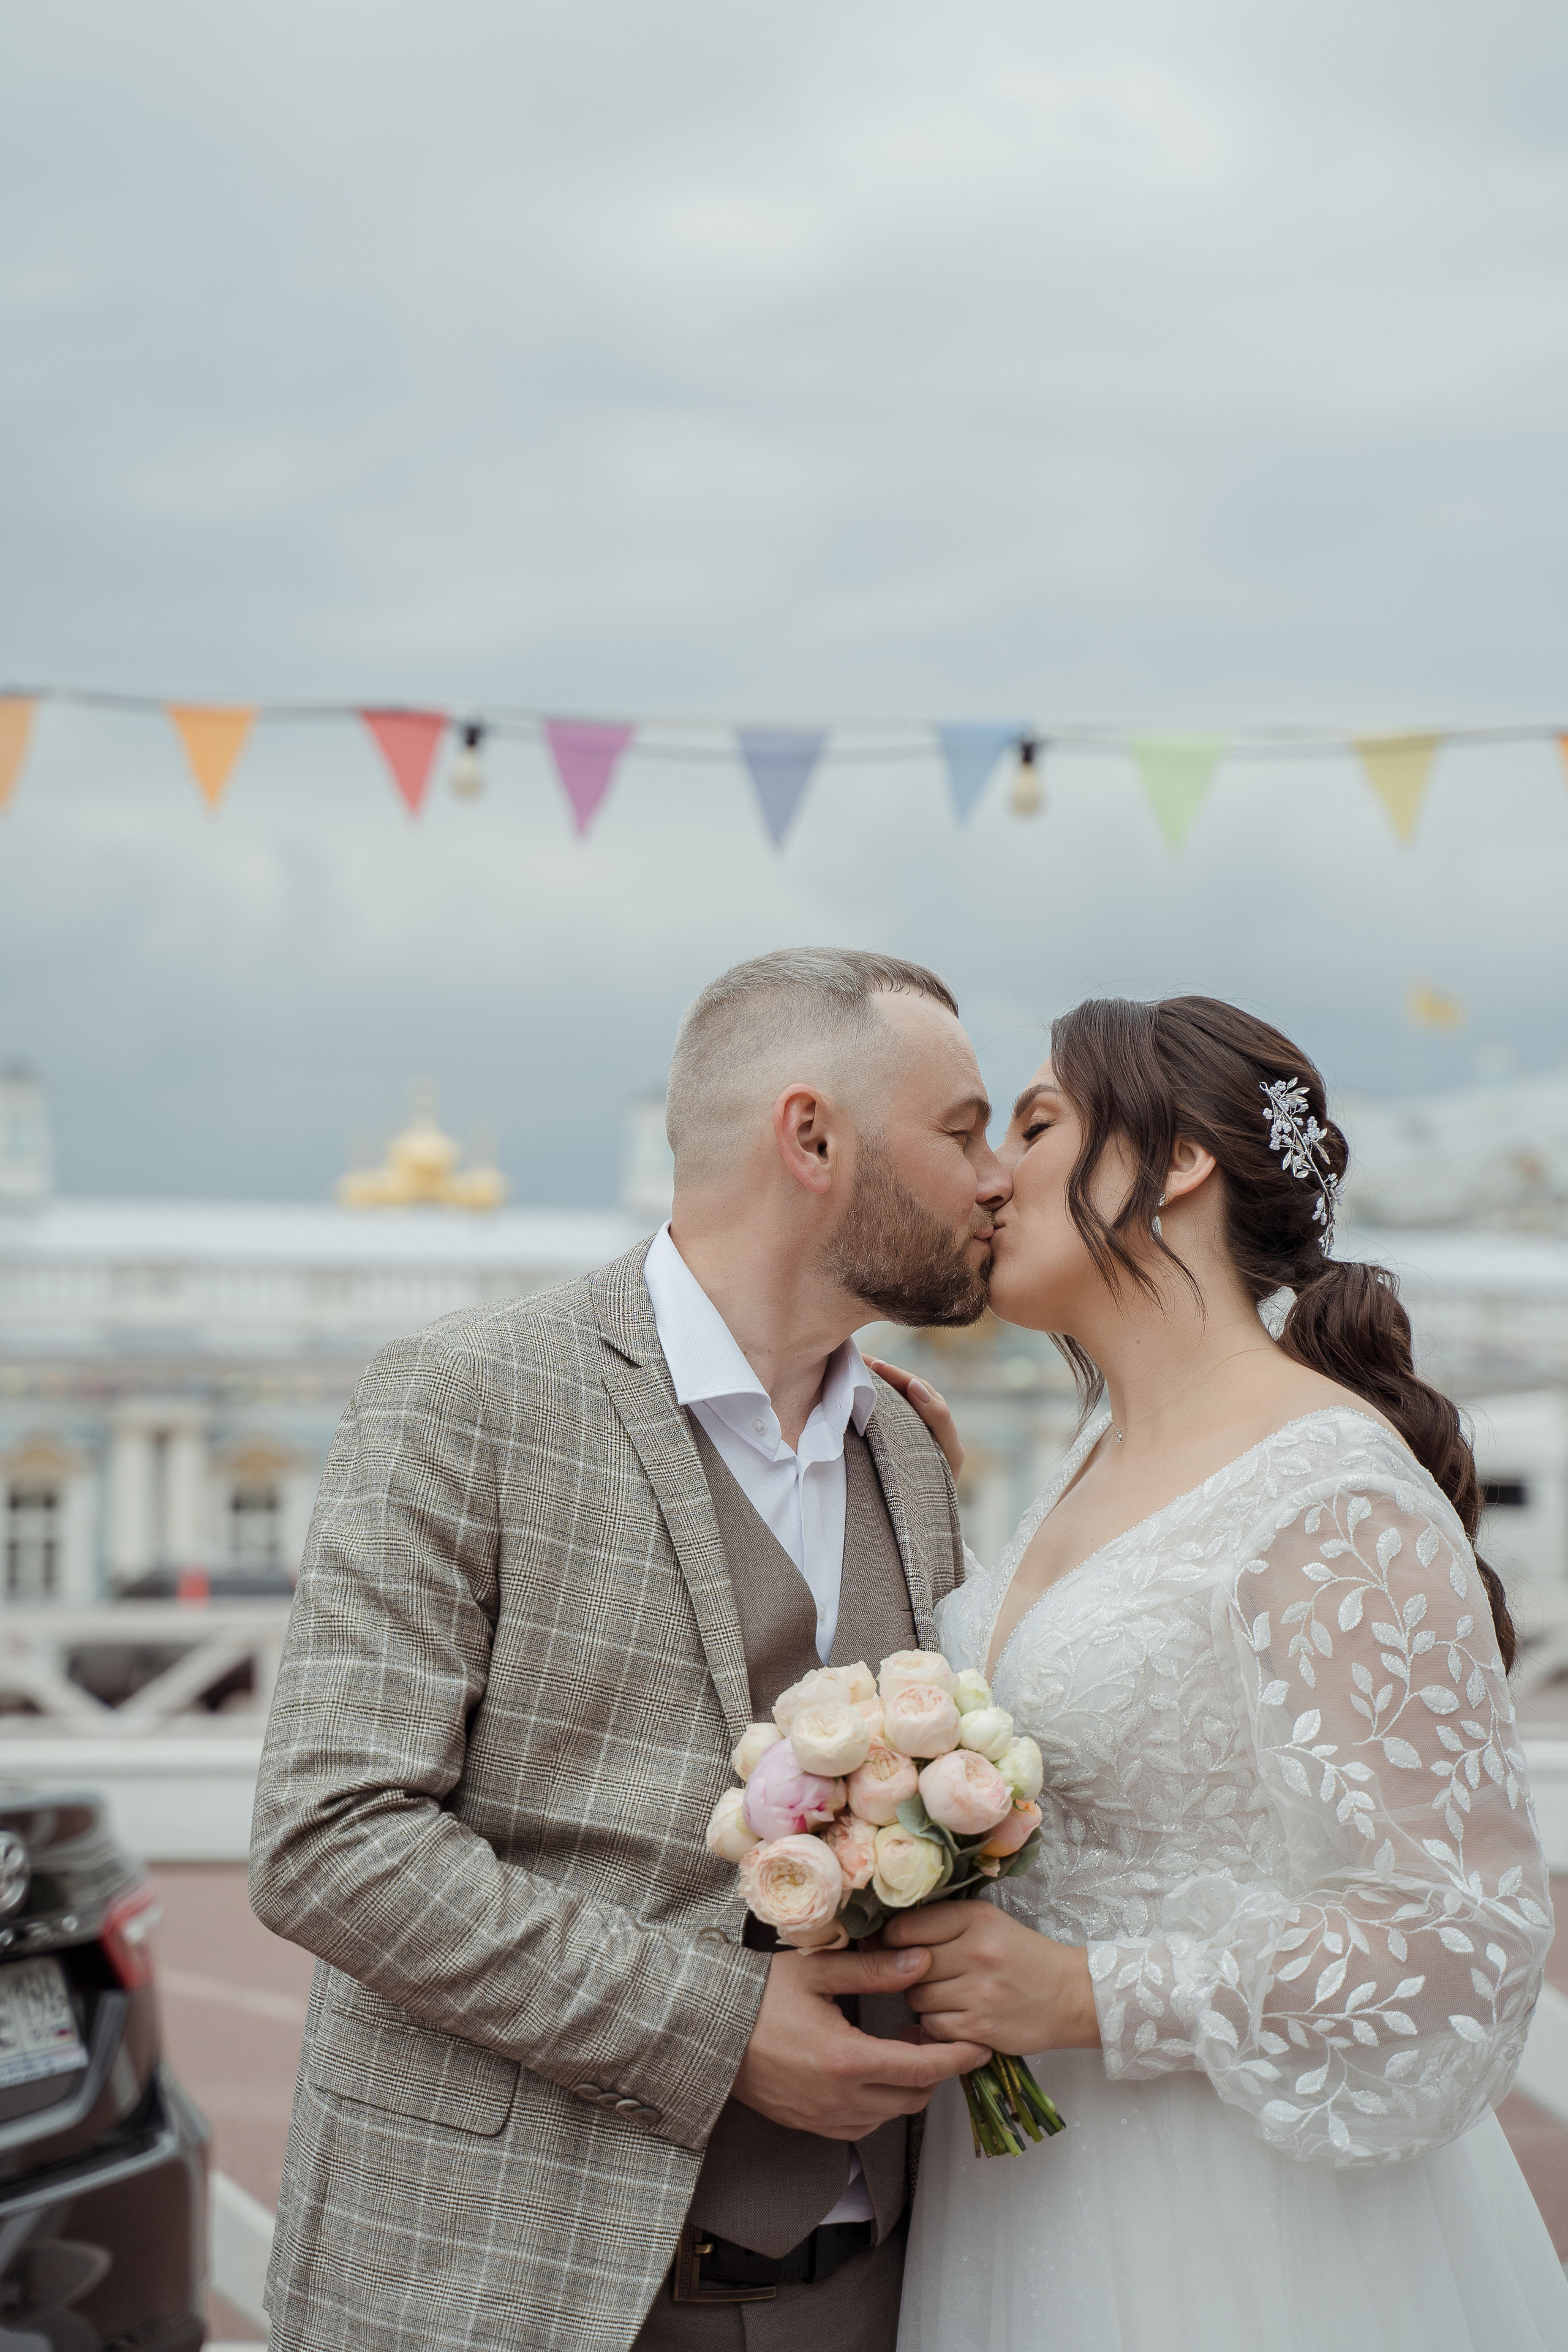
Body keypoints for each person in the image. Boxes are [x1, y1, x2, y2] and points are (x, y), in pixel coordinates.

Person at [249, 946, 1009, 2352]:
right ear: (812, 1137)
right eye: (961, 1131)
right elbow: (328, 1838)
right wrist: (718, 2030)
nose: (997, 1178)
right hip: (504, 2285)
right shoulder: (464, 1398)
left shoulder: (904, 1448)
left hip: (871, 2294)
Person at [878, 993, 1568, 2352]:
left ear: (1176, 1162)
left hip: (1241, 2223)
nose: (990, 1173)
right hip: (1025, 2196)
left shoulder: (1328, 1492)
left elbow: (1466, 1937)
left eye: (1036, 1123)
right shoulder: (1083, 1462)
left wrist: (1090, 1995)